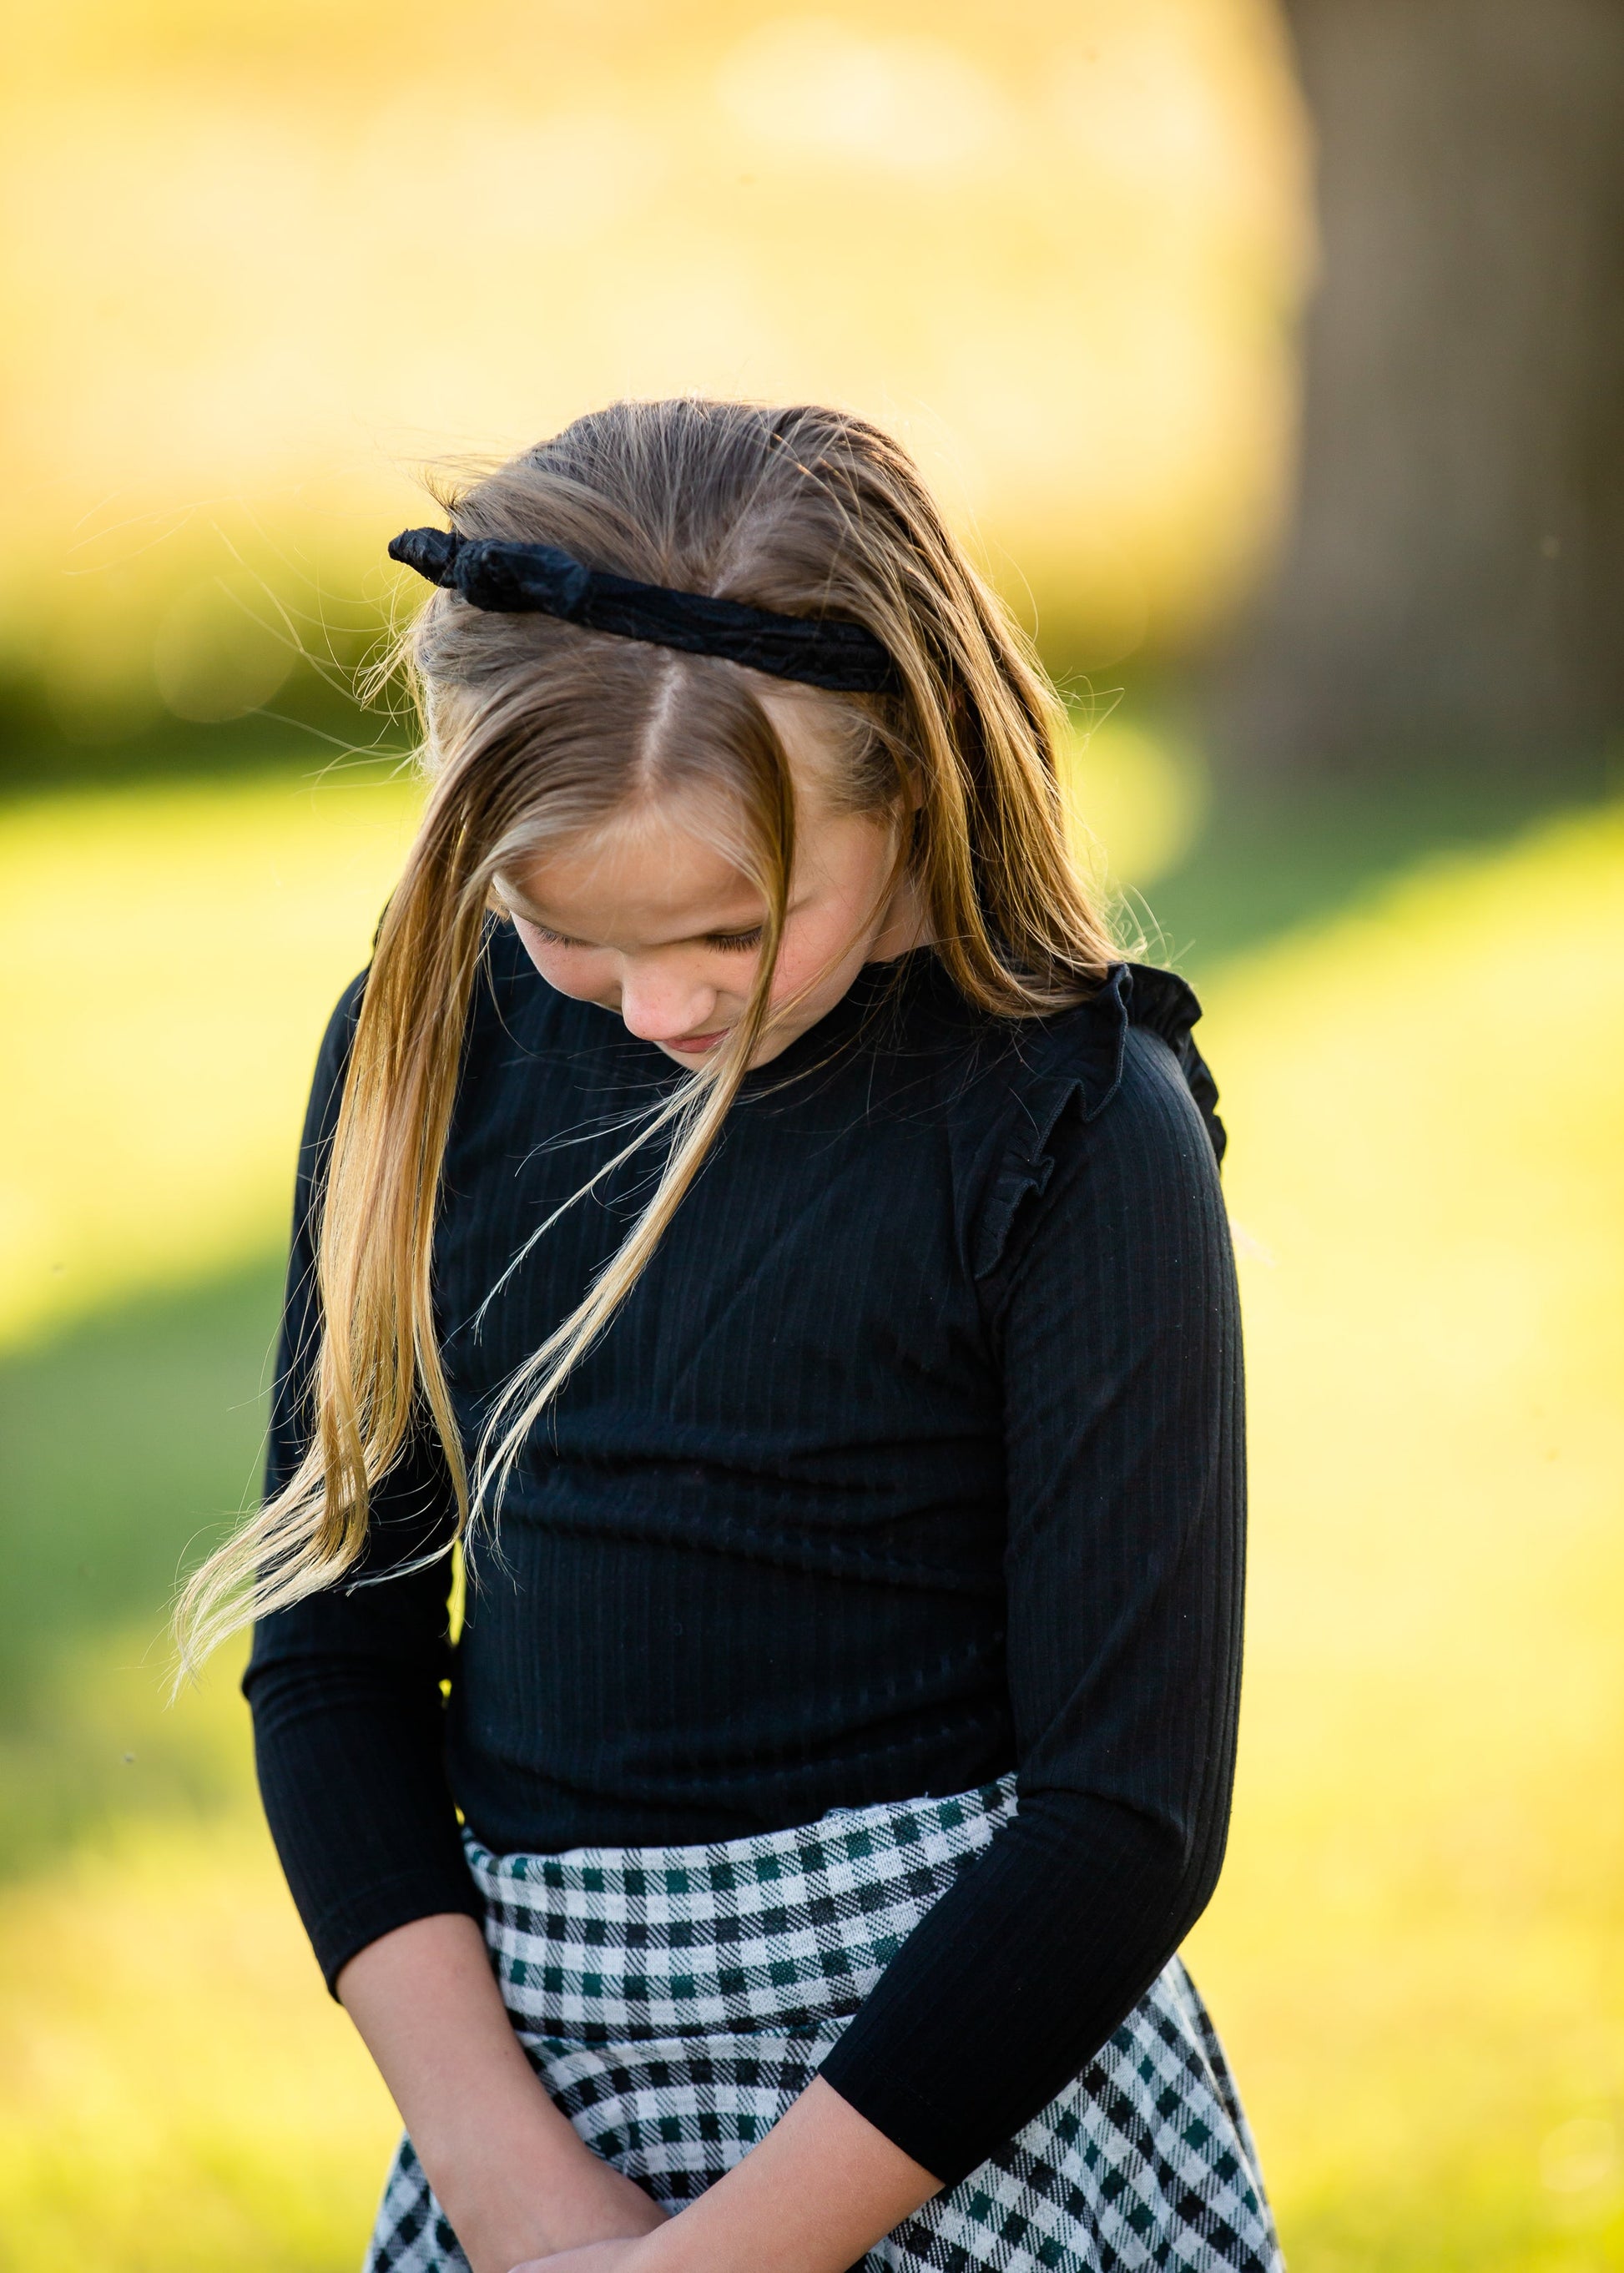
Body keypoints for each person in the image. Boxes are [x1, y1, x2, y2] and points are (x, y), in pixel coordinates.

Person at [178, 398, 1280, 2273]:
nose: (659, 1006)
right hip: (529, 2122)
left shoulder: (1075, 1122)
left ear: (908, 782)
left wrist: (719, 2260)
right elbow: (336, 1671)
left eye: (727, 929)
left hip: (943, 2111)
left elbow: (1124, 1821)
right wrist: (524, 2204)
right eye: (567, 934)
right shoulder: (422, 1052)